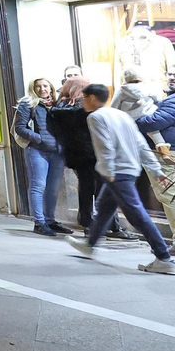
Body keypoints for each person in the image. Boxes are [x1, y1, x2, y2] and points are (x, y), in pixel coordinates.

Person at [69, 84, 175, 273]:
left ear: (93, 98)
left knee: (137, 215)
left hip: (117, 173)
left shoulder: (96, 117)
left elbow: (104, 146)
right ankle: (90, 244)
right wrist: (156, 169)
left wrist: (108, 171)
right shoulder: (122, 115)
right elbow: (141, 144)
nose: (82, 101)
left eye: (84, 97)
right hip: (128, 170)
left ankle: (163, 257)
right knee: (104, 207)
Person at [51, 79, 132, 240]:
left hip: (78, 155)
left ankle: (90, 225)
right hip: (92, 154)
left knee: (87, 190)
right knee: (103, 190)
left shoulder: (59, 108)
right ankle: (111, 227)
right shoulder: (84, 109)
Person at [15, 78, 70, 236]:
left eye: (45, 85)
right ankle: (39, 222)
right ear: (32, 88)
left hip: (57, 152)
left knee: (53, 189)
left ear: (50, 87)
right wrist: (39, 138)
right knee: (38, 186)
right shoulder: (28, 104)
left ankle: (50, 221)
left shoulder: (58, 104)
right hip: (37, 151)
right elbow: (19, 127)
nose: (42, 89)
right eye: (37, 86)